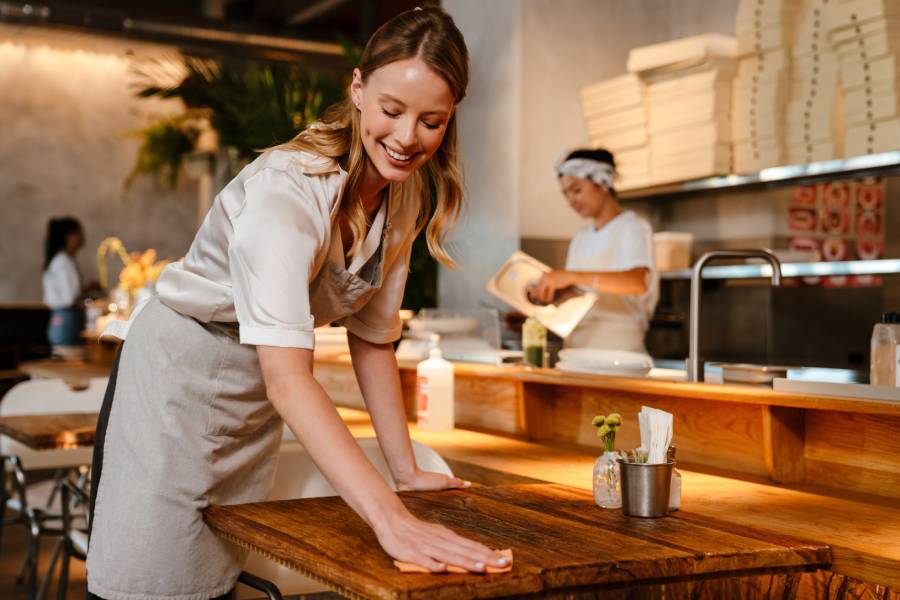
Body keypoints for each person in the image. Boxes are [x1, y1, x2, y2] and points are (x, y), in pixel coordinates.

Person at [86, 8, 509, 600]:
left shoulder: (403, 195)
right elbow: (289, 379)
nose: (408, 138)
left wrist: (405, 468)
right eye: (392, 111)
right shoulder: (284, 195)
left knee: (218, 579)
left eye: (431, 121)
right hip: (175, 387)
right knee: (149, 581)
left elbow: (372, 338)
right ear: (358, 89)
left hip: (248, 396)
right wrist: (392, 521)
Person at [531, 148, 659, 353]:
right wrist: (534, 310)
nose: (571, 200)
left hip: (619, 355)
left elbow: (637, 282)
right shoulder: (581, 238)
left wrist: (571, 276)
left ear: (602, 183)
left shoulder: (632, 227)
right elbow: (578, 295)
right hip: (576, 352)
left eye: (577, 190)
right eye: (566, 194)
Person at [42, 216, 87, 350]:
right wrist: (89, 290)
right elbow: (70, 298)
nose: (83, 237)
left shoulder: (59, 260)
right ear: (71, 236)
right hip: (67, 320)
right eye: (80, 233)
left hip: (60, 319)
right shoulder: (63, 262)